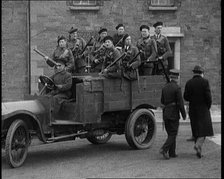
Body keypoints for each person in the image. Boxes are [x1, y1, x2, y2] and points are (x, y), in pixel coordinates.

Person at [184, 65, 214, 158]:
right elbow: (208, 97)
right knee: (204, 130)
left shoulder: (189, 82)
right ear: (202, 73)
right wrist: (208, 107)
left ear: (194, 72)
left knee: (196, 129)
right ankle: (198, 145)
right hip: (203, 109)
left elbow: (186, 97)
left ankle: (199, 150)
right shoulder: (205, 82)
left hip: (193, 109)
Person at [160, 69, 186, 159]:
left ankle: (172, 153)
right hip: (174, 113)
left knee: (170, 133)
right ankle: (164, 149)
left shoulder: (164, 87)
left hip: (166, 113)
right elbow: (180, 103)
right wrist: (184, 114)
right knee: (173, 133)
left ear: (171, 77)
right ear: (177, 78)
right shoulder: (177, 88)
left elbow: (162, 101)